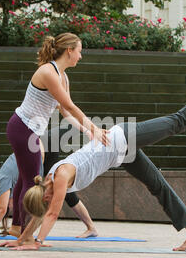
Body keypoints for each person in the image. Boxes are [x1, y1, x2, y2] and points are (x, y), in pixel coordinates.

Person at [0, 84, 186, 251]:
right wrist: (21, 239)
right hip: (120, 155)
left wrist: (35, 242)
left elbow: (49, 214)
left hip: (122, 138)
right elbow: (43, 211)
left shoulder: (59, 177)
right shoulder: (47, 183)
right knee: (157, 184)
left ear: (46, 195)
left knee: (176, 122)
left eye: (47, 200)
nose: (50, 202)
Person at [6, 32, 109, 233]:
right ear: (69, 51)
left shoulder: (63, 77)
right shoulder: (48, 73)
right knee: (32, 180)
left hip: (28, 130)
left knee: (24, 178)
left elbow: (64, 112)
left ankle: (17, 227)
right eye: (79, 51)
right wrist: (94, 128)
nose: (81, 56)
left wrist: (87, 131)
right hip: (22, 128)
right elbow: (69, 105)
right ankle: (24, 231)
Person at [0, 134, 98, 239]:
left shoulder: (3, 181)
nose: (10, 210)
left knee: (58, 192)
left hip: (44, 150)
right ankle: (91, 228)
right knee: (60, 192)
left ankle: (91, 228)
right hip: (38, 147)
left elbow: (0, 209)